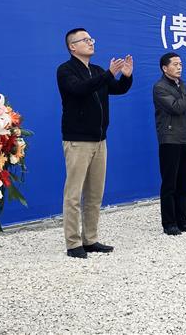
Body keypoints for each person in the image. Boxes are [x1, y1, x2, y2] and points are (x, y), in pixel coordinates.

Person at [57, 28, 133, 258]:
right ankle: (73, 243)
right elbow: (79, 90)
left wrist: (126, 76)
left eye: (91, 39)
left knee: (94, 194)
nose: (91, 42)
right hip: (78, 141)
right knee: (73, 195)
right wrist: (109, 74)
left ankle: (90, 239)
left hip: (100, 140)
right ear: (72, 46)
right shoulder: (66, 70)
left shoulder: (98, 70)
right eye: (86, 40)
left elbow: (118, 89)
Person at [153, 52, 186, 235]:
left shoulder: (182, 84)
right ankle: (169, 223)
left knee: (183, 182)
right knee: (170, 184)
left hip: (185, 138)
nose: (179, 67)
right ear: (164, 68)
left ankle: (183, 221)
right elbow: (177, 107)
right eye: (175, 64)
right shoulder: (160, 87)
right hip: (170, 139)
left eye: (180, 64)